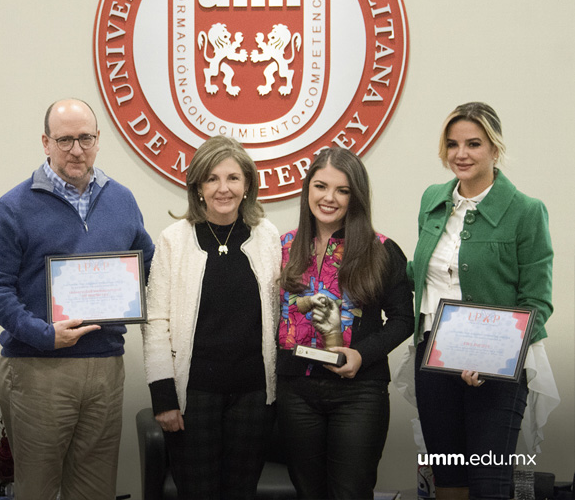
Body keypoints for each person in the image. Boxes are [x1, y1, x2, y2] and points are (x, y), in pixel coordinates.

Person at [0, 98, 154, 500]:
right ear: (46, 142)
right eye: (65, 140)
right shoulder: (13, 207)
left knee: (95, 488)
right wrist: (44, 334)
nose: (76, 150)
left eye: (85, 139)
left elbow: (147, 266)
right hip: (38, 370)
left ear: (98, 140)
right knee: (37, 489)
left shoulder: (122, 199)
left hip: (105, 366)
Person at [410, 103, 554, 500]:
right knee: (449, 480)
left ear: (495, 148)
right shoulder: (432, 200)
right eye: (453, 144)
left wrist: (491, 358)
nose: (461, 154)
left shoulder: (526, 211)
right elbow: (426, 272)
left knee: (490, 484)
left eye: (474, 143)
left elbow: (537, 301)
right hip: (433, 359)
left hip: (497, 368)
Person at [141, 136, 282, 500]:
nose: (224, 188)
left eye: (233, 178)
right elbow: (156, 322)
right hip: (194, 396)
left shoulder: (267, 236)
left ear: (247, 184)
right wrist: (164, 398)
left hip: (253, 395)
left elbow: (279, 313)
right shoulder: (174, 239)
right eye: (212, 179)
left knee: (241, 493)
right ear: (198, 187)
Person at [276, 147, 413, 500]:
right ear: (308, 189)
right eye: (321, 186)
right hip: (296, 393)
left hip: (358, 393)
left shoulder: (381, 249)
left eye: (342, 190)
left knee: (351, 492)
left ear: (356, 196)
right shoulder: (282, 246)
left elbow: (403, 320)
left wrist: (361, 355)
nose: (329, 198)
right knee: (308, 492)